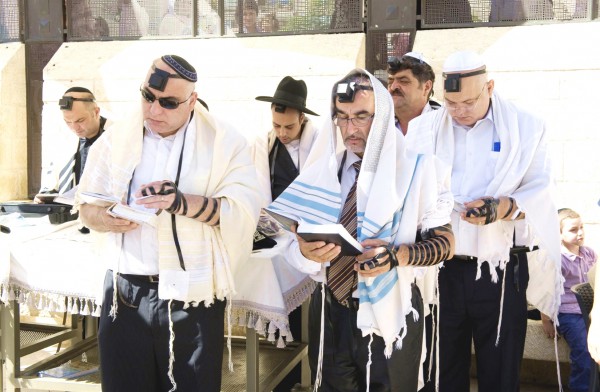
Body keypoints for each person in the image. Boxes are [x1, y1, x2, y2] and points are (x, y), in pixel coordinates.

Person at [76, 55, 261, 392]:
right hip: (125, 294)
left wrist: (181, 202)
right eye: (147, 96)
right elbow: (86, 205)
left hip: (192, 299)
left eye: (168, 102)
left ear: (192, 101)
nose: (154, 110)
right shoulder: (117, 138)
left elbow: (244, 212)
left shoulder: (225, 142)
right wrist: (104, 219)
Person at [267, 69, 454, 391]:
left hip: (392, 310)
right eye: (342, 117)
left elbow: (445, 244)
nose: (350, 129)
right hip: (329, 310)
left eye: (361, 117)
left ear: (382, 117)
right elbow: (270, 235)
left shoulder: (421, 170)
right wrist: (303, 249)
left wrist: (395, 256)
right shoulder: (319, 174)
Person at [406, 50, 562, 392]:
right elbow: (407, 187)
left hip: (502, 269)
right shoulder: (423, 129)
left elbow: (542, 190)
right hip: (441, 268)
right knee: (441, 366)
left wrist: (503, 207)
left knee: (500, 370)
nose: (459, 112)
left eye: (469, 103)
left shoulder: (527, 127)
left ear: (490, 87)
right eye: (450, 103)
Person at [254, 75, 319, 391]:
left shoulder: (322, 145)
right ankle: (276, 376)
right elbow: (259, 195)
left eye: (288, 128)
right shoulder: (263, 146)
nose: (281, 133)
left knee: (307, 320)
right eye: (276, 125)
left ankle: (303, 376)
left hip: (310, 237)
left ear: (302, 118)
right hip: (273, 233)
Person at [541, 208, 596, 392]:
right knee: (583, 352)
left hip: (588, 309)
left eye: (581, 227)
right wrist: (546, 319)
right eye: (573, 230)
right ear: (558, 233)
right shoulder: (558, 259)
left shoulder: (589, 254)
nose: (580, 233)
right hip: (568, 314)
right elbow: (546, 290)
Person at [38, 87, 107, 197]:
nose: (74, 128)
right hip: (65, 210)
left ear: (96, 112)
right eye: (68, 122)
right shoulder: (63, 139)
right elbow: (51, 182)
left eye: (80, 120)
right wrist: (44, 196)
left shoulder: (117, 136)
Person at [387, 51, 439, 135]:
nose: (393, 87)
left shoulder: (442, 125)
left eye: (403, 81)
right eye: (390, 82)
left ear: (426, 87)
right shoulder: (378, 124)